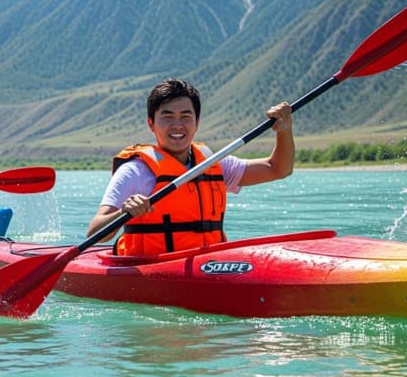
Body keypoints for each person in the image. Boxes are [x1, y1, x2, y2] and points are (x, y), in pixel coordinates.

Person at [87, 77, 294, 255]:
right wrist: (124, 211)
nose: (177, 125)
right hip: (150, 270)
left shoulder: (214, 163)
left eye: (186, 117)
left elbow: (278, 168)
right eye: (167, 117)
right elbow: (94, 233)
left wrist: (284, 131)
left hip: (209, 265)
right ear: (151, 123)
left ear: (197, 122)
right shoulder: (135, 172)